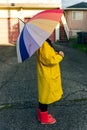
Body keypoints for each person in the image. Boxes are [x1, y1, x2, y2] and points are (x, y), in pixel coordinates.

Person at [37, 39, 64, 124]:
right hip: (47, 75)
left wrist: (56, 53)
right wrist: (60, 56)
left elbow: (49, 55)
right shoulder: (43, 44)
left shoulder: (44, 42)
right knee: (45, 97)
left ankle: (42, 115)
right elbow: (48, 60)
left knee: (44, 95)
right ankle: (44, 119)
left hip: (47, 74)